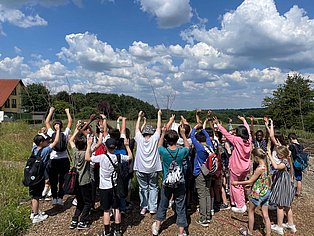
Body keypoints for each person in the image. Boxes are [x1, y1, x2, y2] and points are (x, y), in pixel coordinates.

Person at [85, 137, 133, 236]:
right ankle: (118, 230)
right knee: (116, 208)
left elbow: (87, 158)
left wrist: (89, 145)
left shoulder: (102, 157)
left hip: (104, 187)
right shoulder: (119, 156)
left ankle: (106, 232)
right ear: (115, 147)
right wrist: (127, 146)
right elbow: (130, 157)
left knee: (106, 210)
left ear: (106, 147)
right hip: (115, 186)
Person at [151, 126, 190, 236]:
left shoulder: (163, 151)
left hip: (167, 182)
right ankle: (181, 232)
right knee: (180, 206)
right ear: (177, 140)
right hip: (180, 181)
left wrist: (163, 133)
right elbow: (188, 146)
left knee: (163, 203)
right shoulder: (181, 152)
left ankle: (157, 226)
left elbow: (158, 145)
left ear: (167, 141)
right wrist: (183, 134)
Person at [213, 116, 252, 213]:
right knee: (240, 184)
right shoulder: (249, 140)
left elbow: (226, 134)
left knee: (235, 185)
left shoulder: (237, 140)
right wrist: (244, 121)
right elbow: (248, 130)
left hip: (236, 167)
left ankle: (240, 205)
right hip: (245, 167)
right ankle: (239, 201)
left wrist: (218, 125)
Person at [232, 148, 271, 236]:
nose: (252, 159)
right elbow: (260, 179)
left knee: (251, 211)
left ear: (256, 157)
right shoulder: (266, 165)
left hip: (257, 193)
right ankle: (268, 234)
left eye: (252, 157)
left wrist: (237, 182)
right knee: (265, 214)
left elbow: (250, 181)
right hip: (266, 191)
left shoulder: (259, 168)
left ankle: (249, 232)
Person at [30, 124, 60, 223]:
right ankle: (35, 216)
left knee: (34, 195)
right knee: (36, 196)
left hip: (32, 175)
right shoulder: (45, 150)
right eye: (44, 141)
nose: (47, 142)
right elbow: (55, 142)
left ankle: (34, 212)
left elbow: (36, 140)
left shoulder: (34, 149)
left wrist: (42, 134)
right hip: (39, 176)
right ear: (41, 142)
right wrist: (58, 130)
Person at [133, 110, 162, 215]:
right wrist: (158, 115)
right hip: (153, 168)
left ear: (144, 133)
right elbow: (159, 128)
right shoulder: (154, 139)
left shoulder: (139, 139)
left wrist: (139, 117)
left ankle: (144, 207)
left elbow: (136, 129)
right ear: (152, 133)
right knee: (153, 187)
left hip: (140, 168)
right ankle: (153, 208)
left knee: (143, 188)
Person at [68, 120, 96, 230]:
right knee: (88, 202)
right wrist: (89, 144)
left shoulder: (75, 151)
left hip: (75, 181)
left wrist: (77, 129)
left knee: (80, 201)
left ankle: (74, 220)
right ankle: (82, 221)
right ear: (85, 145)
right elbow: (89, 153)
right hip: (85, 181)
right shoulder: (86, 153)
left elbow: (70, 140)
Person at [45, 107, 72, 206]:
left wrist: (51, 111)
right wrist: (67, 111)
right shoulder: (65, 134)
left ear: (55, 126)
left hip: (53, 160)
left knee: (53, 180)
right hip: (64, 160)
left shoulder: (51, 133)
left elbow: (47, 122)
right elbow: (70, 121)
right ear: (61, 126)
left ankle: (54, 198)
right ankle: (60, 198)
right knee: (62, 180)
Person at [190, 122, 215, 227]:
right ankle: (208, 215)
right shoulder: (210, 145)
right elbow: (208, 136)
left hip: (200, 172)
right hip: (209, 172)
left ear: (199, 140)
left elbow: (191, 136)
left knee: (201, 195)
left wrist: (195, 127)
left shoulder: (199, 147)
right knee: (207, 193)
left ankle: (203, 218)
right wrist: (203, 129)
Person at [268, 146, 297, 235]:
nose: (276, 155)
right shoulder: (288, 160)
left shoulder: (284, 162)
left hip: (283, 185)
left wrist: (269, 155)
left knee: (280, 206)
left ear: (282, 154)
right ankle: (291, 224)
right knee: (287, 206)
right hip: (287, 185)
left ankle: (279, 227)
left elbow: (276, 166)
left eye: (278, 154)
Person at [288, 133, 304, 197]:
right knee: (299, 178)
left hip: (294, 163)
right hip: (300, 163)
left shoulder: (292, 146)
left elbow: (288, 154)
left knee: (291, 176)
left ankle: (290, 190)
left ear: (291, 138)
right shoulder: (301, 145)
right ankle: (298, 192)